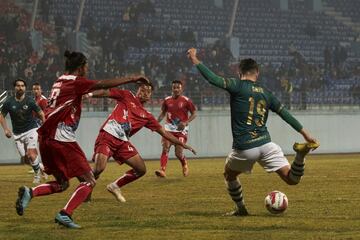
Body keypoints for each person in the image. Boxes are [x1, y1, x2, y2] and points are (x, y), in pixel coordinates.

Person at [15, 50, 149, 229]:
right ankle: (65, 214)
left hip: (46, 138)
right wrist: (132, 78)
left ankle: (30, 193)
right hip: (61, 138)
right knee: (89, 180)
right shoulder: (75, 82)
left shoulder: (59, 80)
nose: (88, 68)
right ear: (80, 67)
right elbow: (102, 84)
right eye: (86, 66)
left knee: (62, 184)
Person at [187, 48, 320, 216]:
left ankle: (241, 208)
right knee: (291, 179)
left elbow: (213, 79)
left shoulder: (237, 85)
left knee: (229, 175)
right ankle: (300, 155)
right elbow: (285, 113)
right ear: (257, 72)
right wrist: (305, 134)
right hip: (266, 144)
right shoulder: (266, 93)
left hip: (245, 147)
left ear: (239, 71)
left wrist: (194, 59)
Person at [88, 82, 196, 203]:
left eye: (148, 92)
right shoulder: (127, 95)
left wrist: (183, 144)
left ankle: (114, 186)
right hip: (108, 136)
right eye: (143, 90)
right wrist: (90, 94)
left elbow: (164, 133)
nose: (145, 93)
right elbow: (106, 92)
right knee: (99, 169)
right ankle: (86, 190)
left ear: (150, 96)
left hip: (122, 142)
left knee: (141, 170)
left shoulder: (147, 116)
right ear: (138, 90)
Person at [0, 78, 45, 184]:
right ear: (14, 87)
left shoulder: (30, 101)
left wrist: (45, 126)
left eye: (22, 86)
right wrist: (6, 129)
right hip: (17, 133)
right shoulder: (9, 102)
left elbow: (41, 114)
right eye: (18, 86)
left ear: (25, 88)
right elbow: (1, 115)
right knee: (25, 159)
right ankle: (40, 167)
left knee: (31, 154)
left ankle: (37, 175)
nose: (20, 87)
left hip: (31, 130)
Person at [155, 80, 196, 178]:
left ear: (181, 89)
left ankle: (184, 164)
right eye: (174, 87)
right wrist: (156, 122)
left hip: (181, 131)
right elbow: (163, 113)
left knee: (178, 153)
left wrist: (186, 122)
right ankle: (162, 170)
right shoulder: (167, 100)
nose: (176, 89)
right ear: (172, 88)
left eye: (178, 88)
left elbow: (194, 114)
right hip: (168, 129)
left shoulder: (186, 100)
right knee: (165, 148)